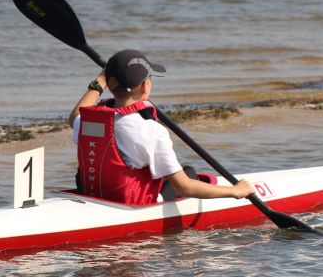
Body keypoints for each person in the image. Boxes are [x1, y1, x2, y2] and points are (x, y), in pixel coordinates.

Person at [68, 49, 256, 205]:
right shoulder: (151, 131)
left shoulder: (90, 120)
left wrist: (99, 81)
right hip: (131, 203)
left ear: (108, 85)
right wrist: (235, 191)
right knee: (189, 174)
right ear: (145, 85)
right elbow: (184, 187)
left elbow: (76, 115)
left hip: (95, 194)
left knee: (165, 172)